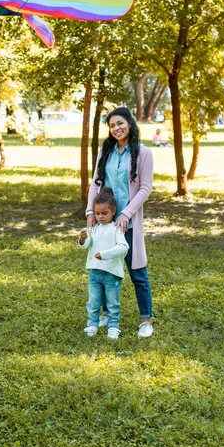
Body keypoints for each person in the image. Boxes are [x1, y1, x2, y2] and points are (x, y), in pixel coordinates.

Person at [86, 107, 154, 338]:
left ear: (130, 123)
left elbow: (145, 188)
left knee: (138, 273)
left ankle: (145, 320)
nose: (116, 129)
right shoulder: (106, 151)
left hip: (128, 224)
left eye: (120, 123)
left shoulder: (143, 153)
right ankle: (104, 315)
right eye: (112, 126)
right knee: (103, 268)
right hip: (105, 223)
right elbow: (96, 183)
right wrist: (90, 211)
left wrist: (125, 214)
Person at [79, 188, 129, 340]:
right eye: (97, 213)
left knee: (112, 303)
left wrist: (105, 255)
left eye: (104, 213)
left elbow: (123, 247)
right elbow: (86, 244)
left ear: (113, 211)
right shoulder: (94, 228)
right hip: (94, 272)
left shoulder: (116, 229)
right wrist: (82, 239)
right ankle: (92, 324)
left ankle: (113, 327)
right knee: (93, 301)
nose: (100, 216)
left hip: (111, 273)